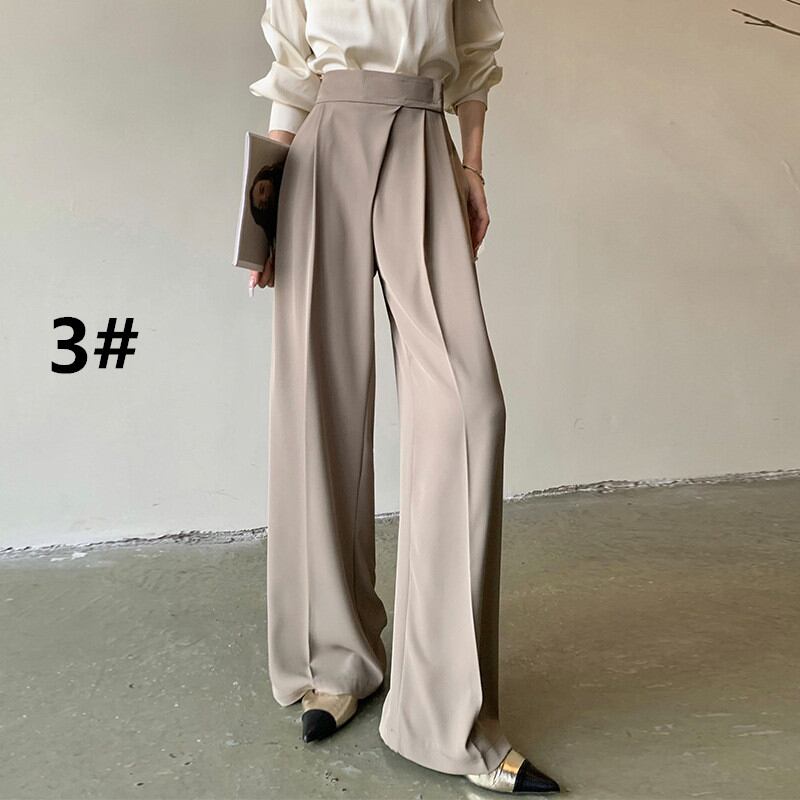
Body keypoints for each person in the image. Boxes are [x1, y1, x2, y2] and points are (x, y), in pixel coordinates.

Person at [247, 1, 562, 794]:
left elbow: (476, 51)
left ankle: (445, 711)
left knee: (469, 407)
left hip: (424, 138)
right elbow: (292, 67)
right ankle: (333, 663)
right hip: (321, 148)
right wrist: (263, 207)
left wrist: (472, 164)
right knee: (317, 406)